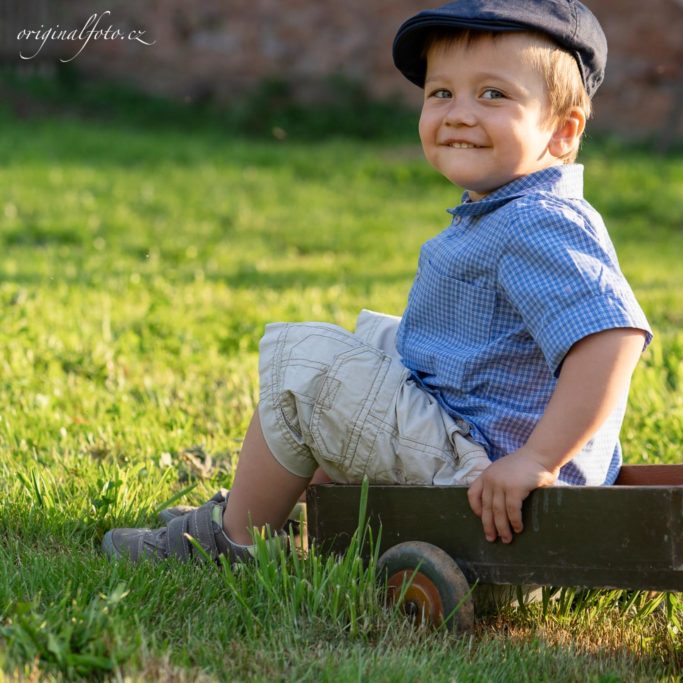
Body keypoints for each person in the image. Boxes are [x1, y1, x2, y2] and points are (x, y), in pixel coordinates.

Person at [103, 0, 652, 562]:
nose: (459, 113)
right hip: (481, 442)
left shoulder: (539, 220)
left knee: (308, 371)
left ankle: (232, 543)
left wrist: (538, 461)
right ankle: (292, 511)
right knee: (378, 344)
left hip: (491, 474)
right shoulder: (509, 210)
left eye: (494, 95)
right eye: (442, 93)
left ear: (562, 132)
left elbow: (611, 339)